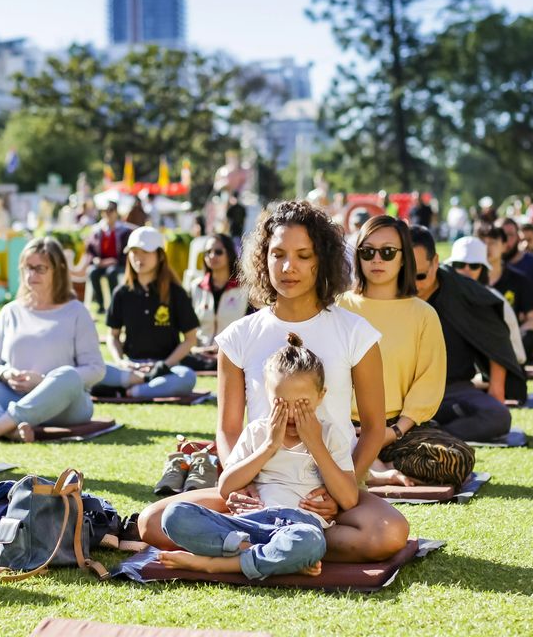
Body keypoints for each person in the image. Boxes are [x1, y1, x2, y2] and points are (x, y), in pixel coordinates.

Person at [139, 200, 409, 563]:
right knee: (151, 522)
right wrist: (243, 483)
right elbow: (229, 428)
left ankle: (253, 545)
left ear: (321, 260)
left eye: (302, 255)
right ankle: (287, 547)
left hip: (329, 491)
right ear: (262, 259)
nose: (288, 267)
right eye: (278, 254)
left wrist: (337, 492)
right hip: (256, 488)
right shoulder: (240, 335)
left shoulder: (355, 333)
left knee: (388, 533)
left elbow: (375, 429)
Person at [157, 334, 352, 579]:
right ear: (267, 396)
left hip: (299, 526)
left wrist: (315, 444)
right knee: (176, 515)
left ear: (320, 396)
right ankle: (275, 558)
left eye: (301, 403)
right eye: (281, 403)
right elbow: (226, 487)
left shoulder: (330, 435)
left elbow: (348, 498)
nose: (290, 413)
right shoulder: (258, 432)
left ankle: (215, 564)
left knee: (310, 542)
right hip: (247, 524)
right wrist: (269, 446)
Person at [338, 216, 470, 488]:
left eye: (387, 252)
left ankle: (370, 467)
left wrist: (393, 431)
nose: (377, 259)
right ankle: (369, 469)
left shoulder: (423, 314)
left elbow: (428, 380)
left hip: (398, 429)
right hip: (341, 427)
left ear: (403, 258)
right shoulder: (337, 308)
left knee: (455, 460)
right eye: (367, 251)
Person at [0, 237, 104, 443]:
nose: (31, 274)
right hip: (15, 396)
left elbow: (96, 369)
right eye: (27, 268)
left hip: (66, 406)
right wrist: (6, 374)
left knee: (67, 375)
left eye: (40, 268)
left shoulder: (76, 312)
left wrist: (44, 381)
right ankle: (11, 430)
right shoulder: (11, 311)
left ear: (57, 270)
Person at [411, 226, 523, 442]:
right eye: (405, 275)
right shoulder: (387, 289)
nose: (412, 284)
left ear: (435, 262)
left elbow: (495, 338)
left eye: (420, 276)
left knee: (497, 416)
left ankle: (432, 437)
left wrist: (497, 389)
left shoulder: (466, 291)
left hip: (453, 390)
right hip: (401, 395)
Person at [97, 227, 200, 400]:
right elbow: (112, 336)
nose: (138, 257)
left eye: (145, 251)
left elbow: (191, 339)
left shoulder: (176, 293)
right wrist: (121, 362)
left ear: (160, 256)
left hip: (166, 369)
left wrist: (164, 365)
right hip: (131, 368)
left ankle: (133, 391)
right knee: (92, 371)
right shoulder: (121, 293)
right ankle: (139, 384)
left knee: (187, 377)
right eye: (134, 252)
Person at [480, 224, 533, 361]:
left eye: (492, 242)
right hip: (478, 337)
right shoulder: (469, 279)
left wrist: (515, 337)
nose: (487, 247)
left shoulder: (519, 279)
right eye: (483, 243)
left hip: (511, 338)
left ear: (504, 245)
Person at [445, 237, 528, 367]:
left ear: (483, 268)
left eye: (474, 265)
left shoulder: (492, 300)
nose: (466, 270)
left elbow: (512, 354)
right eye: (459, 265)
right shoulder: (446, 297)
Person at [188, 233, 250, 372]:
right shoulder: (195, 287)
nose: (212, 256)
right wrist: (196, 349)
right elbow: (189, 330)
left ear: (229, 254)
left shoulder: (245, 288)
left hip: (234, 354)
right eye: (208, 252)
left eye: (218, 252)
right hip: (201, 354)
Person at [84, 202, 134, 315]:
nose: (108, 214)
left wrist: (115, 261)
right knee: (93, 272)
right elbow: (89, 250)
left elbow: (127, 251)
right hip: (101, 263)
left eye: (111, 211)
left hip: (118, 263)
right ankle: (101, 305)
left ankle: (114, 304)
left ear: (116, 213)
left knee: (112, 273)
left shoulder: (125, 231)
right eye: (105, 211)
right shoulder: (97, 231)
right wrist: (95, 260)